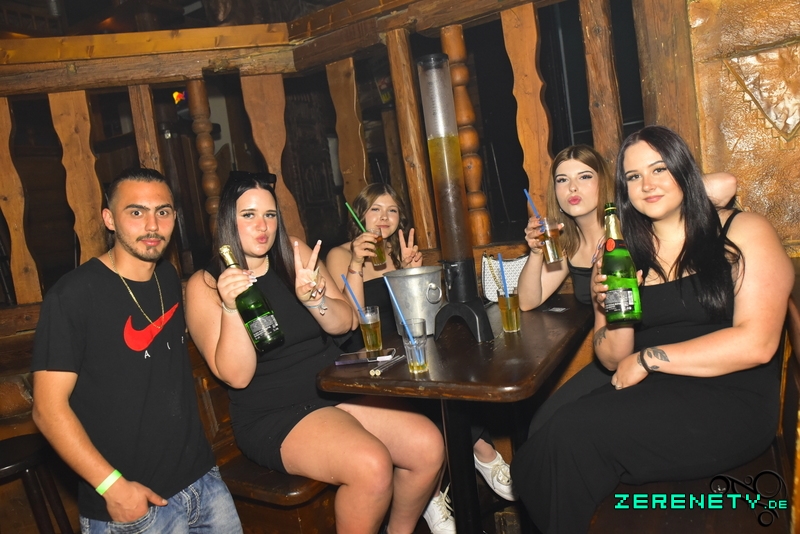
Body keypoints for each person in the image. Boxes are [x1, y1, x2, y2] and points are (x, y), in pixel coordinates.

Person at [510, 126, 793, 533]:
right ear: (624, 190)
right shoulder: (621, 251)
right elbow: (612, 358)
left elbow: (758, 343)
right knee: (544, 443)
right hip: (654, 390)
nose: (647, 184)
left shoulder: (742, 230)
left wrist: (647, 359)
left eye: (660, 169)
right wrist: (616, 311)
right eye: (634, 176)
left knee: (570, 437)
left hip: (729, 396)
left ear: (683, 169)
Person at [184, 172, 445, 534]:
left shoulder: (294, 252)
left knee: (428, 447)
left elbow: (345, 322)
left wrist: (314, 300)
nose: (262, 226)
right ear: (228, 219)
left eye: (270, 215)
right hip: (273, 411)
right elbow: (237, 376)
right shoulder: (206, 284)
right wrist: (231, 308)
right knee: (371, 466)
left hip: (330, 387)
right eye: (249, 215)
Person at [31, 168, 242, 533]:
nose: (152, 225)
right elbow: (47, 410)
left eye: (163, 211)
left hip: (202, 482)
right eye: (136, 212)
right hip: (135, 504)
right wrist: (113, 488)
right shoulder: (73, 296)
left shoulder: (166, 277)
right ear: (109, 219)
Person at [326, 183, 517, 531]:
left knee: (456, 373)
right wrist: (356, 263)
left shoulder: (396, 255)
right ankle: (478, 457)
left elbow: (425, 314)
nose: (384, 218)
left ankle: (442, 484)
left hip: (403, 351)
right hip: (365, 361)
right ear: (360, 215)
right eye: (375, 210)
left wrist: (410, 272)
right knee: (426, 393)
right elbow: (349, 322)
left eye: (392, 211)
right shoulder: (340, 255)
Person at [517, 144, 738, 311]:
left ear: (603, 182)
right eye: (562, 180)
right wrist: (536, 252)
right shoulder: (568, 244)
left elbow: (726, 184)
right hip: (609, 341)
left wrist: (664, 191)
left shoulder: (631, 224)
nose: (572, 188)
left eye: (584, 177)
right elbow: (527, 302)